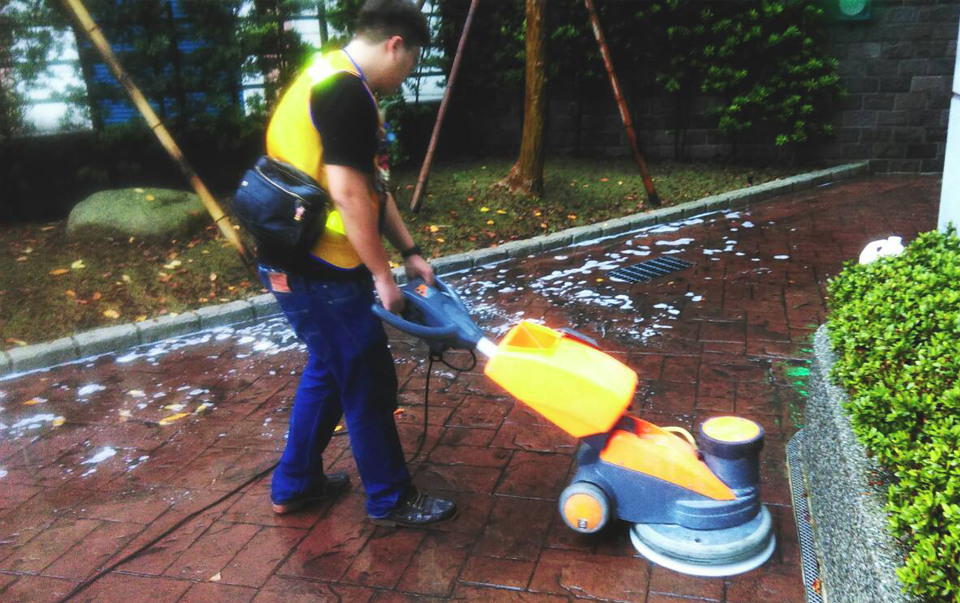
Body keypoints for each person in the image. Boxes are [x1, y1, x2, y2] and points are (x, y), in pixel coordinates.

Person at [256, 0, 455, 527]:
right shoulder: (346, 93)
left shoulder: (330, 74)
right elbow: (347, 193)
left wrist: (410, 252)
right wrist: (383, 276)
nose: (405, 76)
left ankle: (295, 485)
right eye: (410, 64)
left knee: (330, 367)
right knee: (366, 375)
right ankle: (391, 499)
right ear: (395, 45)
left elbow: (371, 184)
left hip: (293, 260)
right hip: (319, 268)